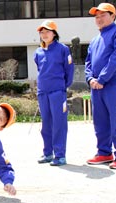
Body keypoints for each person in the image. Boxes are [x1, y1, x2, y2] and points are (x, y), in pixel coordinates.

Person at [85, 3, 116, 169]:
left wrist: (102, 79)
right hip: (97, 86)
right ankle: (104, 152)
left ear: (113, 16)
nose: (99, 19)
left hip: (114, 85)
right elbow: (88, 62)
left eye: (103, 15)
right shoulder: (95, 40)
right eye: (96, 16)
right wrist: (90, 79)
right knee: (100, 121)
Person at [33, 20, 74, 166]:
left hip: (57, 92)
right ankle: (48, 153)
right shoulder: (38, 52)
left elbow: (69, 70)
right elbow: (40, 70)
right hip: (43, 92)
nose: (44, 35)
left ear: (54, 33)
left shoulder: (63, 49)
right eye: (42, 32)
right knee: (46, 124)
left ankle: (60, 155)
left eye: (47, 32)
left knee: (59, 124)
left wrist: (63, 87)